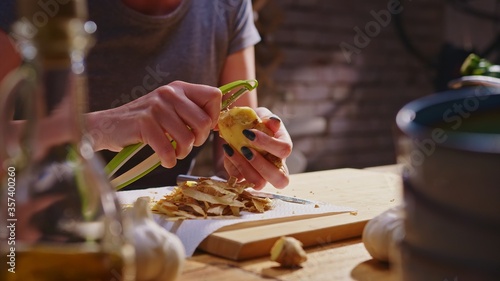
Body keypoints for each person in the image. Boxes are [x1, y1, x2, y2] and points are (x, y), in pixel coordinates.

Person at [0, 0, 292, 190]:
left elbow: (228, 163)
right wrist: (104, 127)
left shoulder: (229, 8)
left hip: (165, 230)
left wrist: (256, 150)